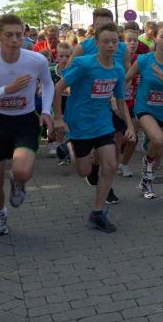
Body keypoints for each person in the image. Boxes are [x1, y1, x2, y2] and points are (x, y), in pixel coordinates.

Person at [0, 14, 54, 236]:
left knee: (23, 171)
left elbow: (48, 84)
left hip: (25, 120)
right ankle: (0, 212)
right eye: (9, 35)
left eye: (19, 35)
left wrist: (46, 111)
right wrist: (6, 90)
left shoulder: (36, 60)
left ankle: (17, 181)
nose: (15, 40)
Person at [53, 22, 134, 233]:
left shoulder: (117, 69)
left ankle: (97, 213)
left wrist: (130, 126)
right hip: (79, 122)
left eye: (114, 42)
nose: (111, 45)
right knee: (84, 171)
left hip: (102, 123)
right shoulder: (84, 65)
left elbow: (120, 100)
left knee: (111, 165)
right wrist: (58, 118)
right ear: (96, 43)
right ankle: (69, 146)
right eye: (106, 41)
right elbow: (59, 87)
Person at [124, 23, 163, 199]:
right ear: (155, 39)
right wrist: (114, 97)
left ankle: (146, 174)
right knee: (157, 140)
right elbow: (126, 78)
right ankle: (147, 176)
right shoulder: (144, 60)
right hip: (145, 108)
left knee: (158, 155)